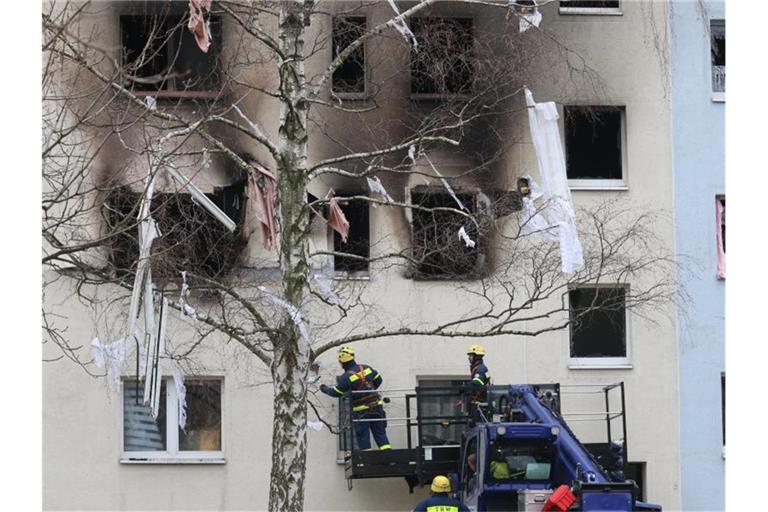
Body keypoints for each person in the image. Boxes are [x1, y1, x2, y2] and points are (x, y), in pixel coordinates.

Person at [320, 346, 391, 450]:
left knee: (363, 437)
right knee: (380, 434)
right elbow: (379, 380)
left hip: (361, 411)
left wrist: (324, 388)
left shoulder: (344, 378)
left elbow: (336, 393)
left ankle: (367, 462)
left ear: (341, 362)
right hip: (377, 407)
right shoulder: (366, 368)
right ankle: (388, 457)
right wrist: (369, 391)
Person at [466, 344, 491, 422]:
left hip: (480, 403)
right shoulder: (479, 367)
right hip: (479, 402)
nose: (469, 358)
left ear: (476, 357)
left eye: (470, 356)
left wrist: (465, 387)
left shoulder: (480, 369)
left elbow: (477, 383)